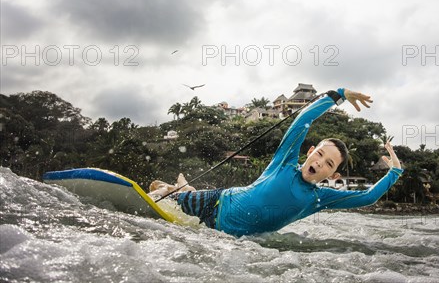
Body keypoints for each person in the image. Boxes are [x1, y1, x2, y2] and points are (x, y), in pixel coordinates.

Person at [148, 88, 404, 237]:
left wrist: (395, 172)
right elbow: (303, 120)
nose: (320, 163)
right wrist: (339, 95)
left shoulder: (319, 198)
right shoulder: (285, 161)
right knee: (162, 198)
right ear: (311, 151)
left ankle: (181, 186)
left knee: (179, 199)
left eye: (329, 164)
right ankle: (174, 189)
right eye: (320, 155)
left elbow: (368, 197)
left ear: (332, 176)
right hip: (217, 201)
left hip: (223, 234)